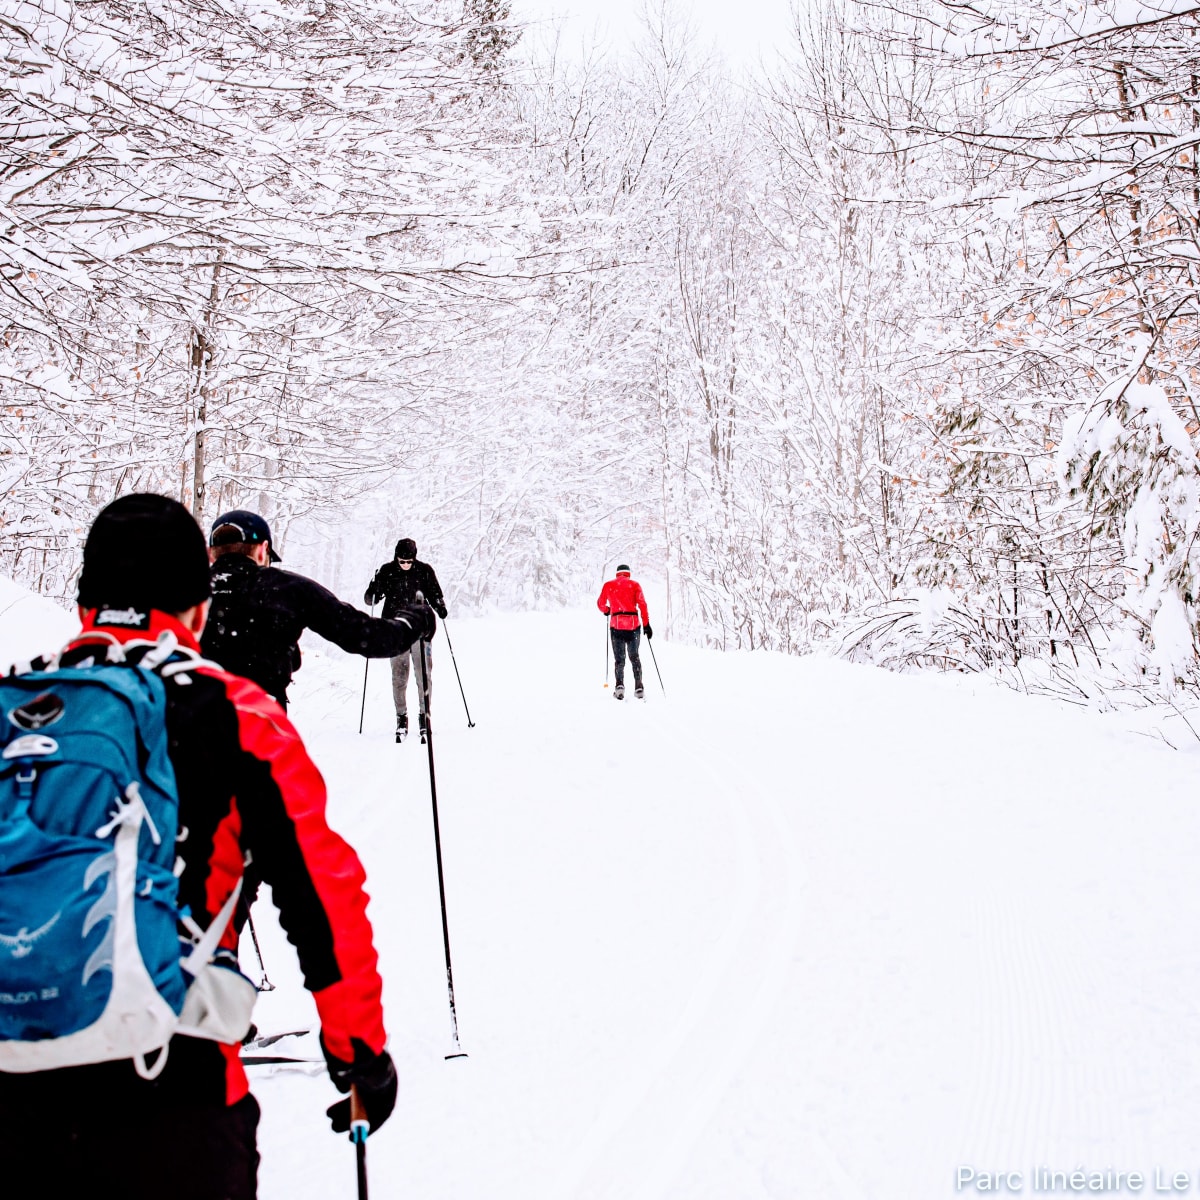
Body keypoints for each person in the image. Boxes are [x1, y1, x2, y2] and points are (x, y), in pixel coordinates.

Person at [0, 493, 397, 1198]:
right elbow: (322, 895)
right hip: (171, 1093)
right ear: (198, 610)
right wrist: (357, 1054)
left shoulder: (14, 706)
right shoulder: (241, 714)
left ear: (85, 603)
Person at [202, 509, 433, 709]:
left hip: (182, 729)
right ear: (263, 550)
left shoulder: (179, 593)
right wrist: (414, 621)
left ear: (211, 553)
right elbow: (366, 636)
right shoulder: (289, 588)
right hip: (260, 726)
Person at [364, 538, 448, 743]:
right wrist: (373, 589)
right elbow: (370, 599)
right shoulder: (387, 571)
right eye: (402, 561)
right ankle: (401, 718)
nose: (405, 565)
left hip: (421, 631)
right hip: (395, 631)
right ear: (396, 558)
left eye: (409, 561)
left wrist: (440, 606)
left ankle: (424, 716)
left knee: (424, 676)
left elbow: (435, 594)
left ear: (415, 558)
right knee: (399, 678)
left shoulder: (424, 571)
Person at [597, 563, 652, 700]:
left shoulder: (609, 585)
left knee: (619, 659)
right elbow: (643, 605)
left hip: (616, 626)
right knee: (634, 657)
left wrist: (607, 610)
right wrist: (646, 624)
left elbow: (600, 603)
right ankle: (639, 687)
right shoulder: (634, 585)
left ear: (617, 573)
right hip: (633, 626)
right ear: (628, 573)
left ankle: (619, 687)